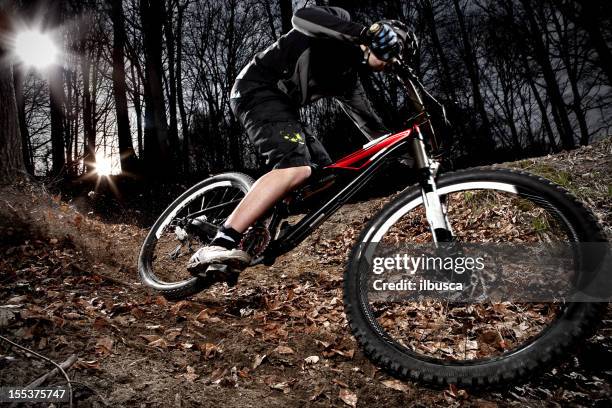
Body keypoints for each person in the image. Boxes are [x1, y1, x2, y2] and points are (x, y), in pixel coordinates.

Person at [187, 6, 414, 275]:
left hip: (283, 106)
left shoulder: (348, 80)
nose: (393, 62)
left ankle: (259, 222)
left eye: (399, 60)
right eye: (397, 50)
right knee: (295, 166)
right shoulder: (339, 25)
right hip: (257, 88)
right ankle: (222, 240)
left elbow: (369, 123)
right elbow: (301, 18)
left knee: (326, 174)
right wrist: (365, 33)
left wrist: (408, 153)